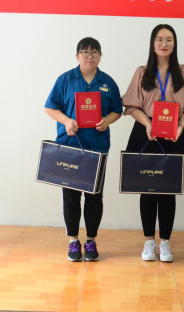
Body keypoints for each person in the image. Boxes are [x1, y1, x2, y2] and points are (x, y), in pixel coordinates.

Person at [122, 24, 184, 262]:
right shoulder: (142, 71)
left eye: (168, 39)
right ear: (152, 43)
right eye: (159, 39)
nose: (164, 44)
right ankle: (148, 242)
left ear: (174, 44)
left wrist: (180, 127)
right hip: (146, 133)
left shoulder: (183, 71)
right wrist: (148, 124)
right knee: (147, 190)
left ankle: (165, 242)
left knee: (168, 191)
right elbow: (132, 106)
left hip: (175, 133)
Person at [44, 37, 122, 262]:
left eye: (94, 52)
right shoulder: (66, 79)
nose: (90, 56)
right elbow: (50, 107)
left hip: (97, 148)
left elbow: (117, 110)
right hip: (69, 147)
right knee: (70, 198)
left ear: (100, 56)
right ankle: (73, 240)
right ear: (77, 56)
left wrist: (107, 121)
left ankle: (91, 240)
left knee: (94, 197)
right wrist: (67, 121)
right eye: (85, 52)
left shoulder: (107, 82)